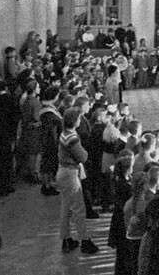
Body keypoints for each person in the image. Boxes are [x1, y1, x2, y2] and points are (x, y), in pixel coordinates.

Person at [57, 107, 99, 254]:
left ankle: (66, 239)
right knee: (79, 209)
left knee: (66, 208)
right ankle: (85, 241)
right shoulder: (72, 138)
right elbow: (83, 157)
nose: (80, 120)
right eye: (79, 119)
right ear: (75, 121)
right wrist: (86, 152)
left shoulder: (64, 133)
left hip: (63, 172)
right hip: (70, 174)